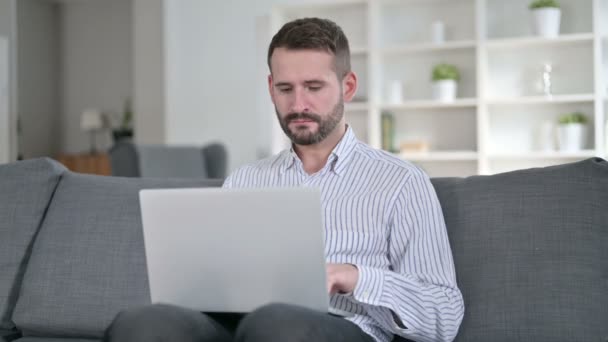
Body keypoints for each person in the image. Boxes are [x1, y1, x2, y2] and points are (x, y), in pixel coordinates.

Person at [104, 17, 464, 342]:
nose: (298, 104)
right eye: (286, 88)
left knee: (276, 324)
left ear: (348, 86)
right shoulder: (245, 180)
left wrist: (354, 277)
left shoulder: (400, 182)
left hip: (341, 328)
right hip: (237, 326)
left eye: (314, 86)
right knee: (141, 323)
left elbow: (444, 316)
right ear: (271, 88)